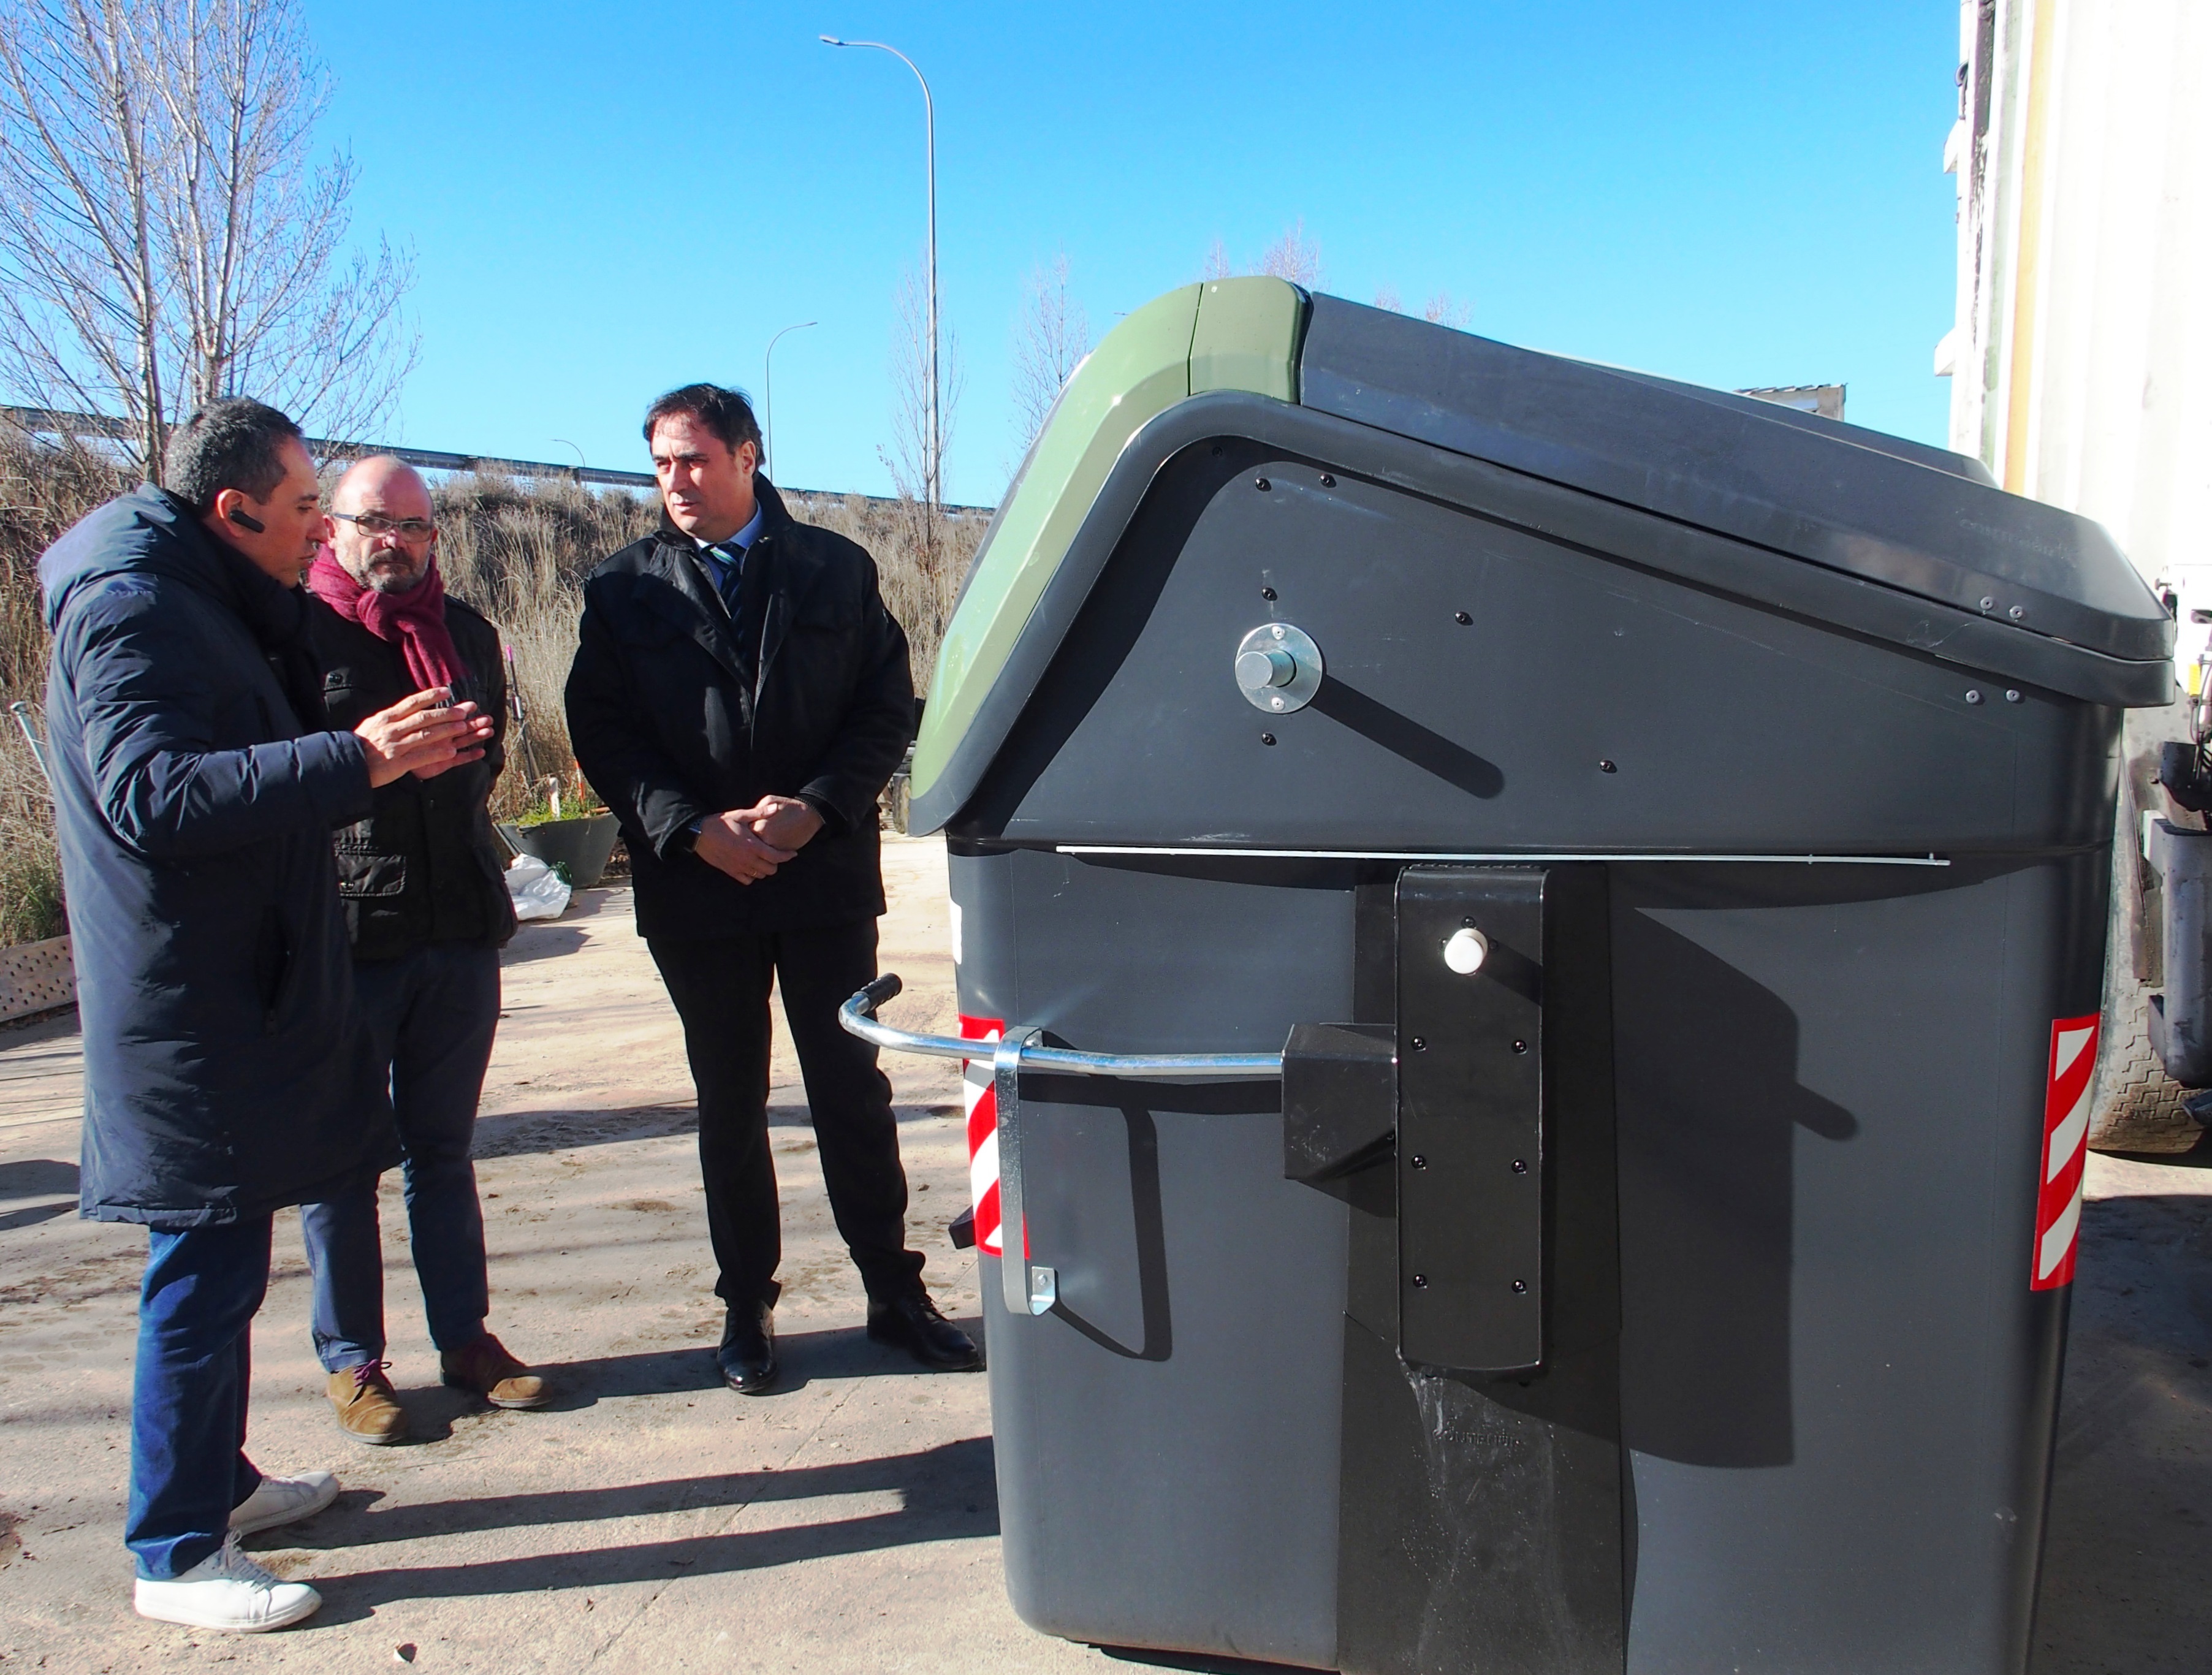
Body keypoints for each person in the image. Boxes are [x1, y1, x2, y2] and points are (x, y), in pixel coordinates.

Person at [39, 400, 492, 1630]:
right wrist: (360, 760)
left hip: (231, 985)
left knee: (223, 1264)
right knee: (200, 1268)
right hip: (187, 1005)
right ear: (233, 511)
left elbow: (278, 661)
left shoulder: (198, 587)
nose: (321, 541)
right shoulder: (132, 606)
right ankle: (176, 1550)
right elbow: (154, 795)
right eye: (306, 513)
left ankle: (216, 1485)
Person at [565, 383, 978, 1395]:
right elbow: (603, 733)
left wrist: (818, 807)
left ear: (749, 455)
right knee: (730, 1100)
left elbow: (886, 707)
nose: (676, 482)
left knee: (849, 1088)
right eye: (660, 464)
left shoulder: (836, 570)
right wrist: (691, 829)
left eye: (694, 459)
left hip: (820, 876)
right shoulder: (622, 590)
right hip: (698, 890)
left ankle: (893, 1289)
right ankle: (745, 1304)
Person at [295, 455, 549, 1445]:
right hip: (349, 938)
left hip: (456, 931)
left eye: (415, 525)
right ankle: (353, 1360)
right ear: (332, 528)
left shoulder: (470, 633)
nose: (394, 541)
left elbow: (482, 772)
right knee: (343, 1160)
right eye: (373, 521)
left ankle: (467, 1341)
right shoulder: (297, 632)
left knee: (441, 1151)